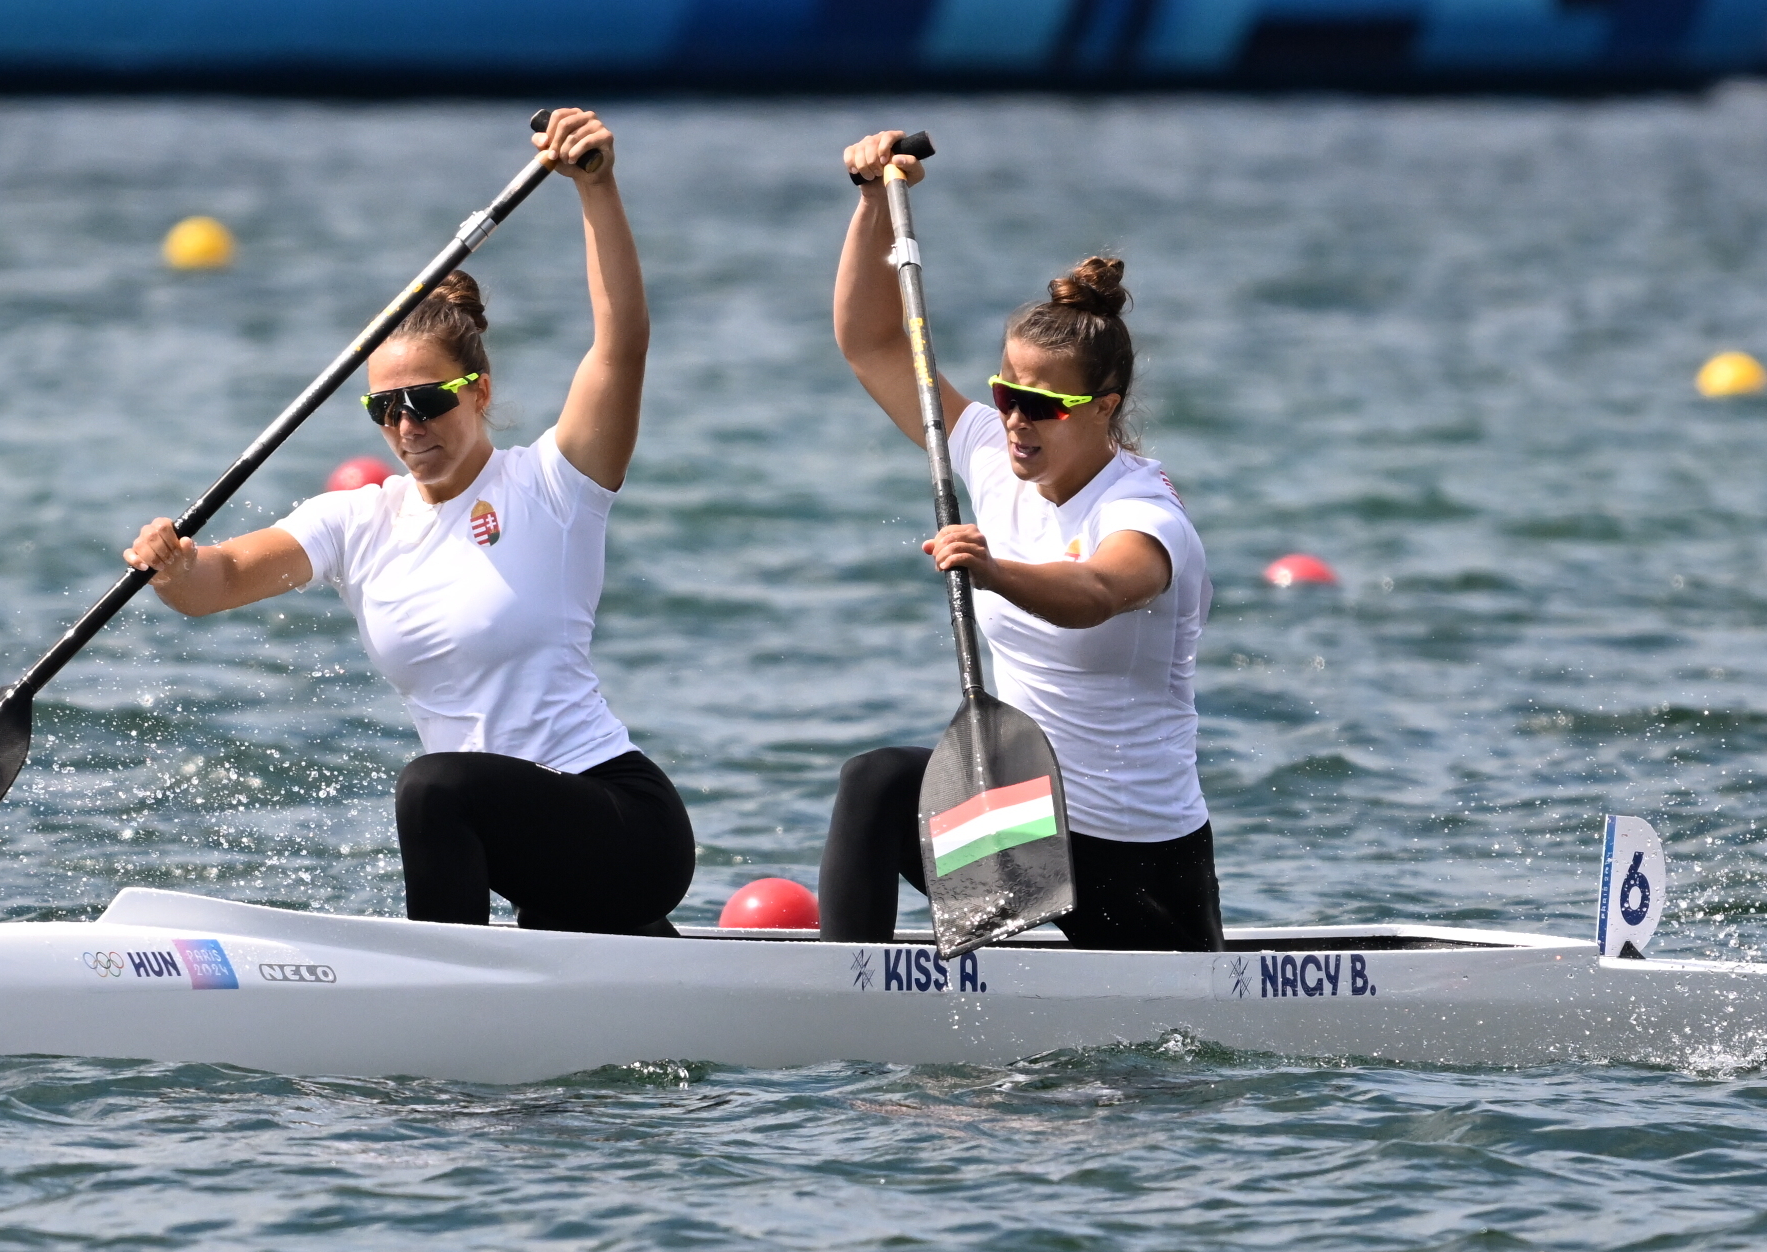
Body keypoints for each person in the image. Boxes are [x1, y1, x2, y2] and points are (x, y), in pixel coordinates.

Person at [124, 109, 693, 936]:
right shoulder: (357, 520)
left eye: (426, 400)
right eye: (384, 408)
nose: (406, 425)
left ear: (479, 393)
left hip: (622, 822)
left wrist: (595, 190)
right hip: (526, 851)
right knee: (445, 788)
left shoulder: (552, 485)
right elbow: (216, 584)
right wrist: (175, 565)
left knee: (433, 784)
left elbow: (622, 344)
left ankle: (443, 990)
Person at [817, 129, 1221, 952]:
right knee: (877, 782)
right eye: (1006, 393)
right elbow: (872, 343)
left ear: (1104, 409)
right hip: (1028, 827)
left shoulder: (1142, 512)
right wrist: (871, 204)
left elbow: (1099, 592)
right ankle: (849, 987)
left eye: (1041, 406)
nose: (1013, 420)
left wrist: (994, 570)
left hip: (1135, 860)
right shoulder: (988, 454)